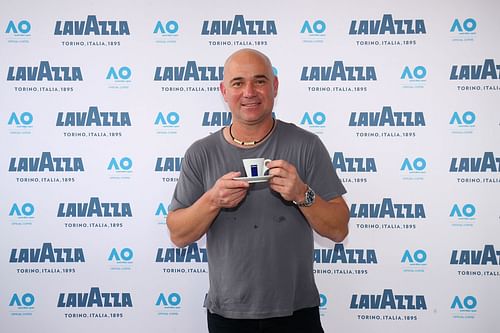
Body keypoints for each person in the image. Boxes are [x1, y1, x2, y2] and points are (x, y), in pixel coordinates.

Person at [167, 48, 350, 333]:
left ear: (275, 87)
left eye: (260, 81)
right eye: (238, 83)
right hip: (228, 314)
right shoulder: (201, 153)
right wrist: (212, 200)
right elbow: (178, 234)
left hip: (296, 310)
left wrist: (303, 194)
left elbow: (339, 229)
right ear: (224, 91)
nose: (249, 92)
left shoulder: (306, 145)